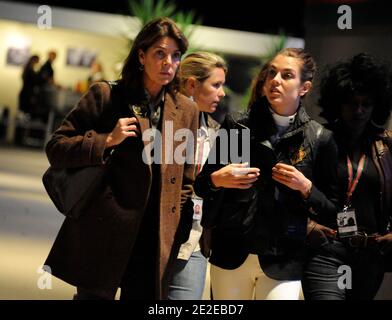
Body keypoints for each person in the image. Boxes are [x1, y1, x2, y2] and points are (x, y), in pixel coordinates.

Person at [43, 17, 198, 300]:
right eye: (160, 54)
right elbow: (56, 147)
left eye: (176, 56)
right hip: (105, 228)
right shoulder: (107, 95)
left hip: (153, 238)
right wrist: (105, 141)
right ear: (141, 55)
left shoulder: (186, 109)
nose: (169, 63)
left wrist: (175, 227)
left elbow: (186, 178)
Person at [194, 48, 339, 300]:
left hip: (284, 260)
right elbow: (202, 185)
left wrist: (306, 187)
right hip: (232, 251)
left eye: (286, 75)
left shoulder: (319, 138)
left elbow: (333, 211)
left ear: (304, 87)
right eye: (272, 72)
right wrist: (219, 179)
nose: (276, 80)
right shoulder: (238, 125)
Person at [302, 53, 392, 300]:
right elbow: (294, 190)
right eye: (352, 102)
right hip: (327, 250)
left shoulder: (384, 145)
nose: (359, 110)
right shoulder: (318, 139)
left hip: (370, 256)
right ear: (338, 103)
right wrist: (307, 226)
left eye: (366, 103)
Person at [167, 51, 227, 300]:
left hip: (194, 239)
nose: (222, 93)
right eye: (216, 85)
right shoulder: (162, 123)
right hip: (156, 235)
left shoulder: (217, 132)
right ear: (192, 84)